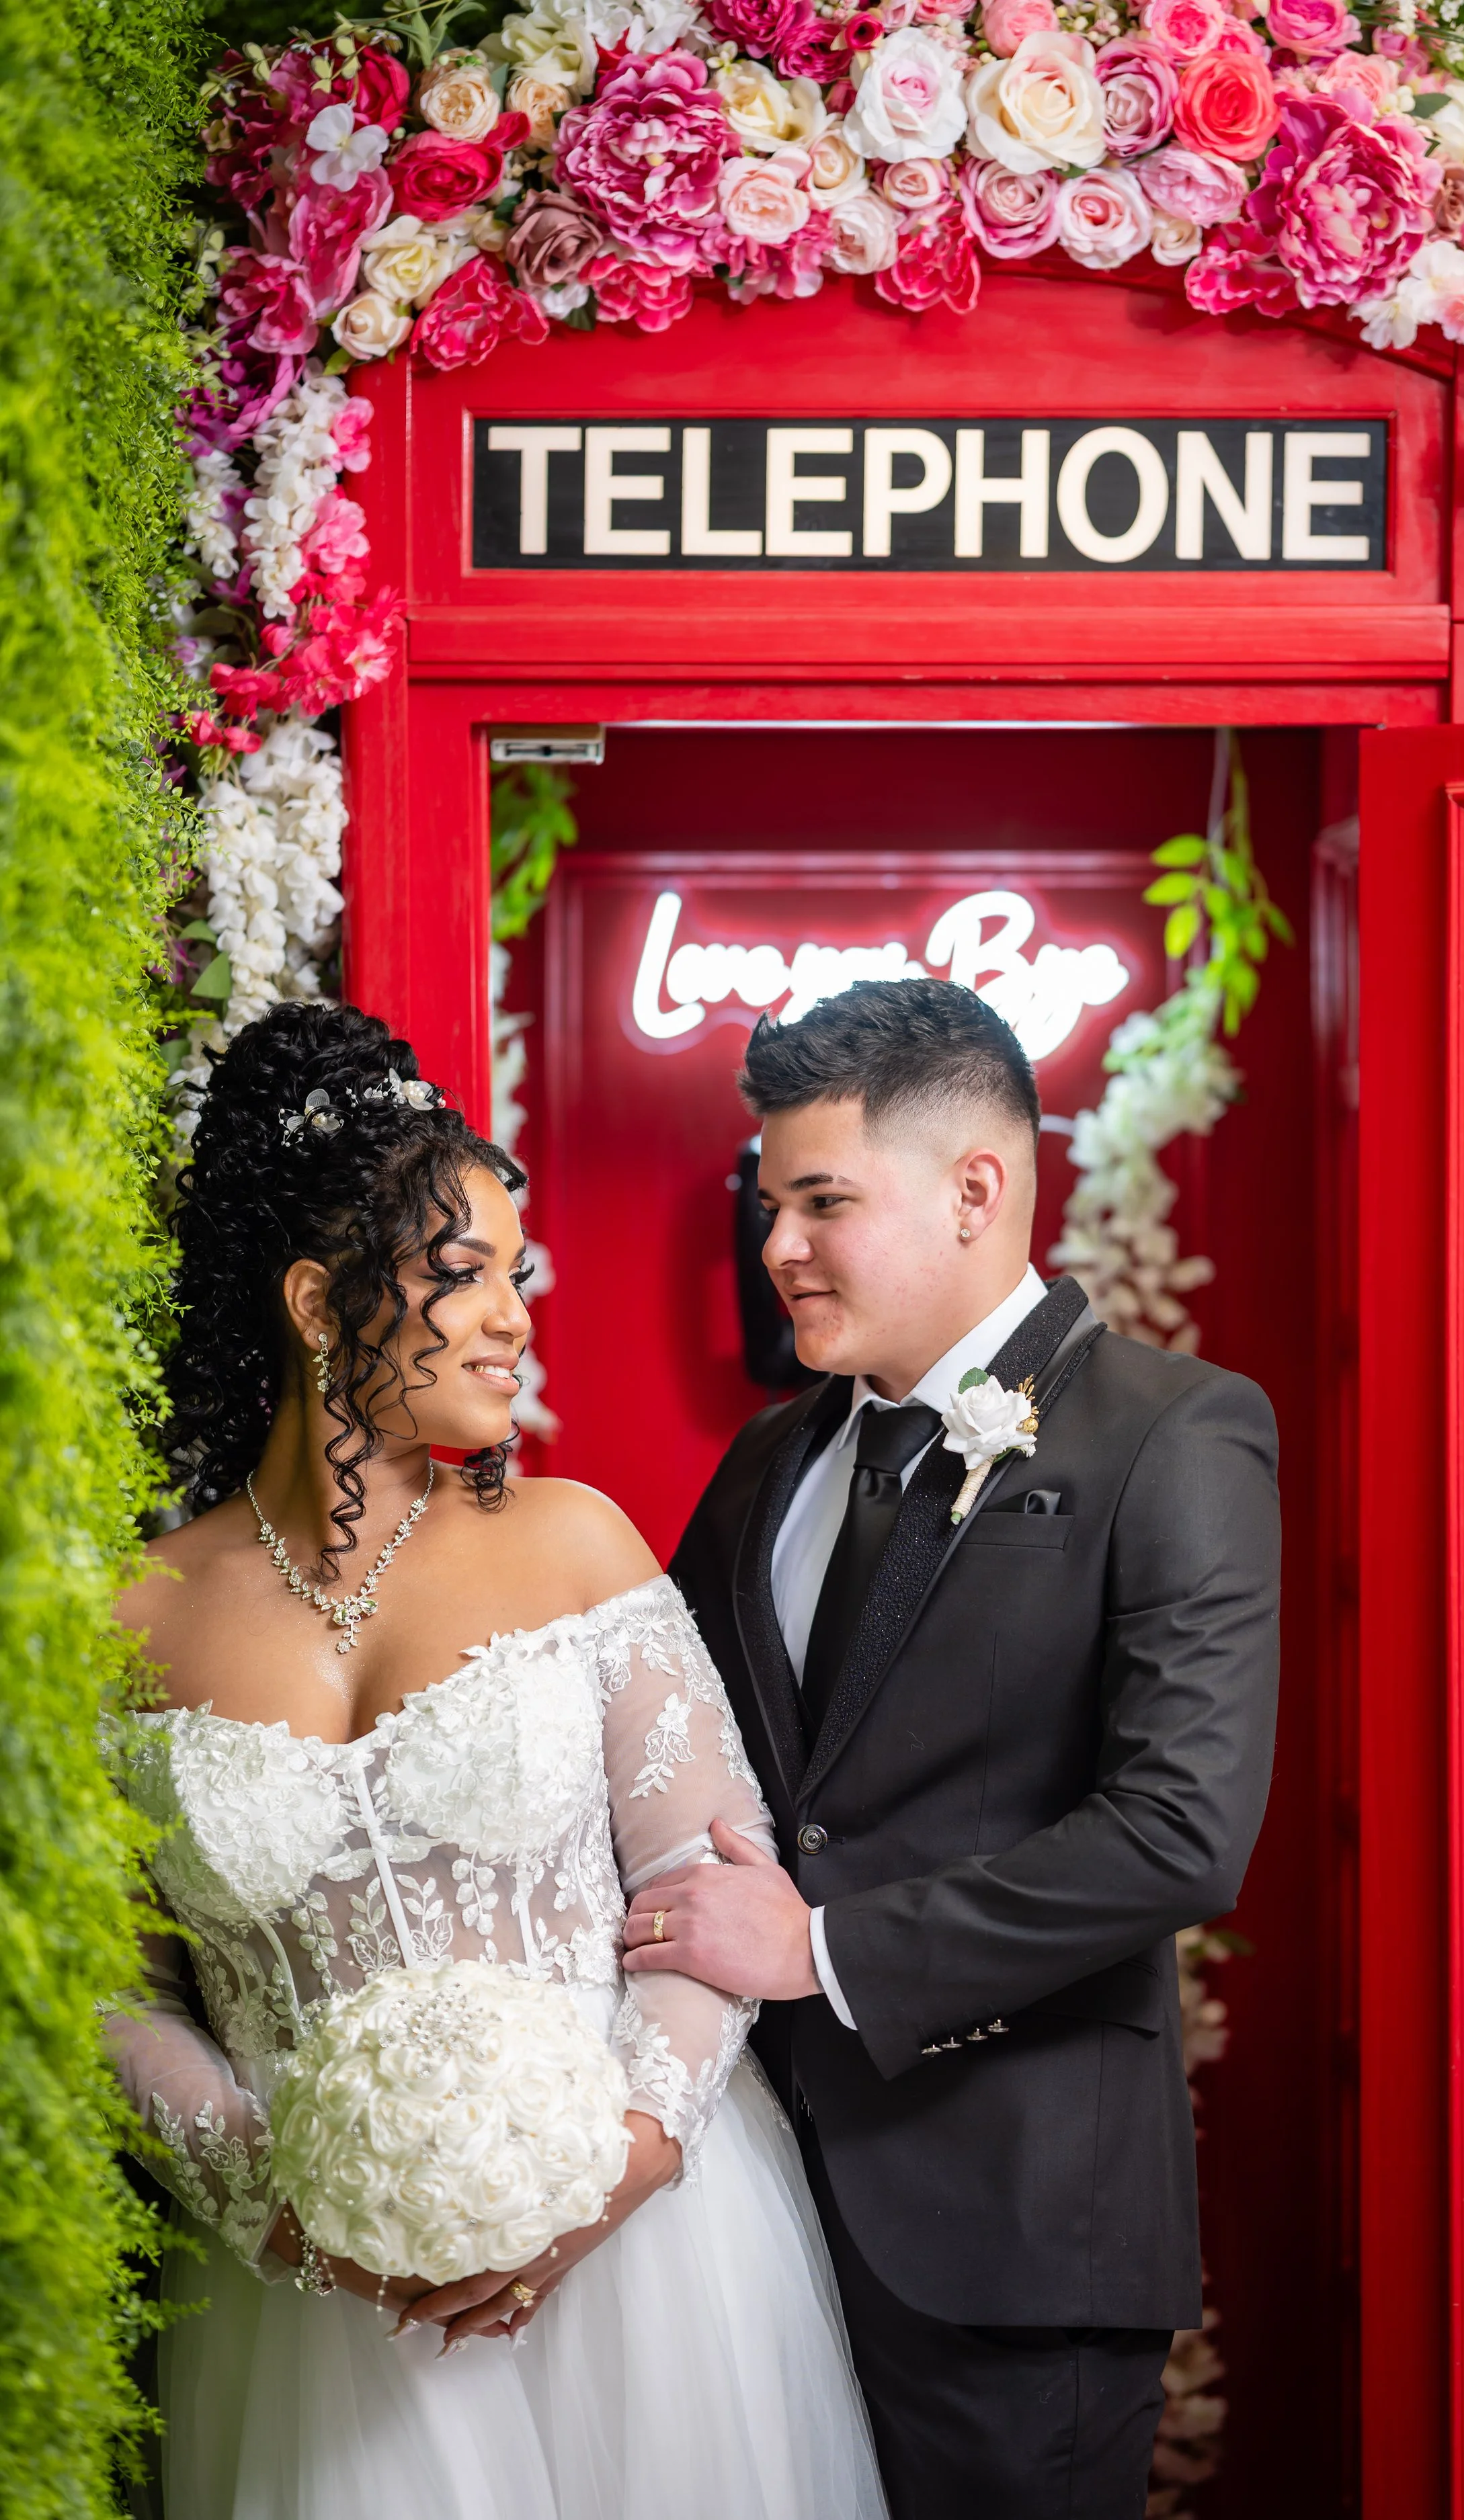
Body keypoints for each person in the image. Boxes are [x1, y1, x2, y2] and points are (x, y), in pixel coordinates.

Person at [108, 999, 887, 2520]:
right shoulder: (131, 1618)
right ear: (319, 1303)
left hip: (645, 2275)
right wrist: (275, 2209)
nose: (513, 1318)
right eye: (459, 1278)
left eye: (512, 1276)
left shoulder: (570, 1545)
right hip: (311, 2316)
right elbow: (115, 1988)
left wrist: (606, 2177)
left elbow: (701, 1888)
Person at [632, 976, 1282, 2520]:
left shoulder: (1171, 1433)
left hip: (1009, 2236)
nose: (775, 1245)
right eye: (768, 1200)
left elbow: (1181, 1829)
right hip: (744, 2217)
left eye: (820, 1200)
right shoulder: (768, 1456)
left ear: (976, 1189)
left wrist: (827, 1948)